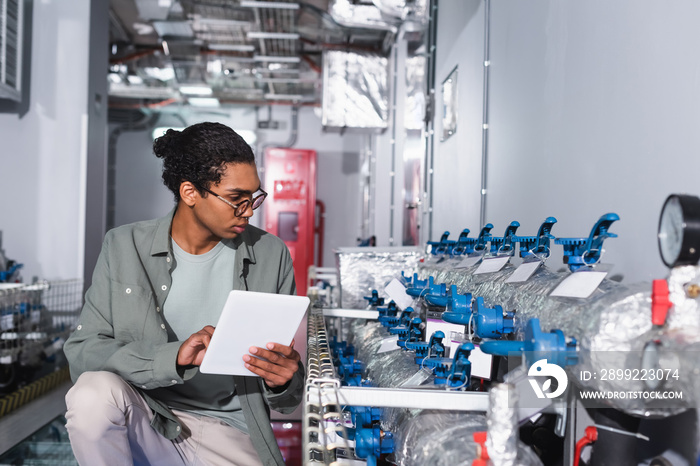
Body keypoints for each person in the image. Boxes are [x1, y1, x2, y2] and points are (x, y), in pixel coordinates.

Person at [63, 122, 304, 466]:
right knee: (92, 395)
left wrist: (284, 380)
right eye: (236, 198)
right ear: (190, 192)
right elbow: (83, 354)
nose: (249, 211)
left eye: (253, 197)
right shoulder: (124, 246)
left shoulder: (270, 253)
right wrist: (173, 358)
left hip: (230, 429)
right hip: (149, 420)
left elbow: (286, 401)